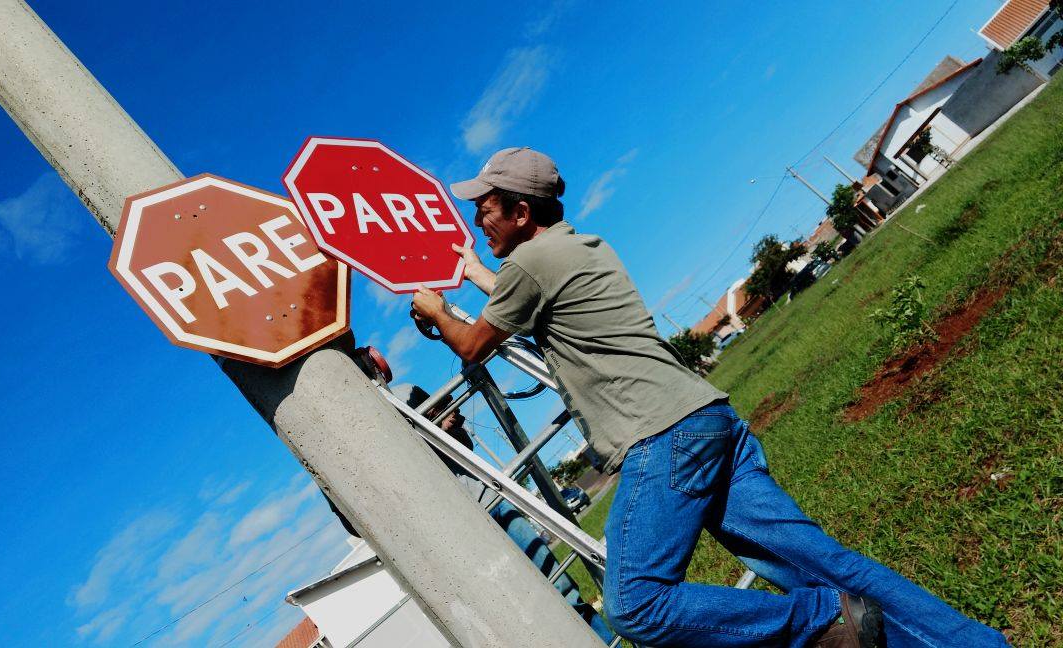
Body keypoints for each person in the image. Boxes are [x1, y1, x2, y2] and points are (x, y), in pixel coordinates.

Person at [409, 146, 1007, 648]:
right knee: (825, 563)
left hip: (662, 438)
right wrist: (474, 273)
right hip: (706, 420)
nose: (476, 220)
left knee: (635, 604)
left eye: (485, 208)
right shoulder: (576, 247)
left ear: (520, 212)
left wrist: (436, 310)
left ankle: (822, 618)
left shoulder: (531, 265)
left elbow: (474, 344)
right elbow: (526, 297)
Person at [325, 383, 614, 643]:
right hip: (454, 536)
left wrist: (446, 422)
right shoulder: (334, 445)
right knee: (523, 617)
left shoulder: (403, 393)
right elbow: (352, 523)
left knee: (561, 587)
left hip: (490, 501)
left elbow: (464, 441)